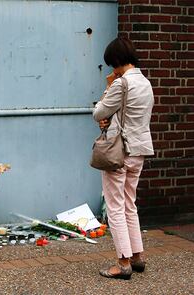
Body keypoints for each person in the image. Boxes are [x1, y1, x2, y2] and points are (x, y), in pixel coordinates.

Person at [93, 36, 154, 280]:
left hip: (119, 153)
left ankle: (123, 263)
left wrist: (108, 88)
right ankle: (137, 256)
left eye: (112, 64)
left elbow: (99, 112)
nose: (112, 69)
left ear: (118, 60)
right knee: (130, 204)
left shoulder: (120, 84)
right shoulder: (146, 83)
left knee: (115, 207)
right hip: (139, 150)